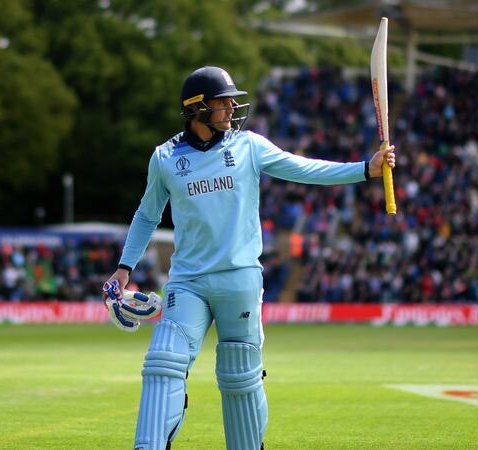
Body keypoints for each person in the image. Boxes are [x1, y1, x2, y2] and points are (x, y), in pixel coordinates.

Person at [103, 66, 396, 450]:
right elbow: (147, 215)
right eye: (222, 101)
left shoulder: (249, 147)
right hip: (188, 281)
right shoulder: (165, 157)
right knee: (162, 362)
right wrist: (125, 268)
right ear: (196, 108)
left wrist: (364, 169)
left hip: (239, 279)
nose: (231, 107)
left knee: (240, 378)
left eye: (231, 101)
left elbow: (303, 169)